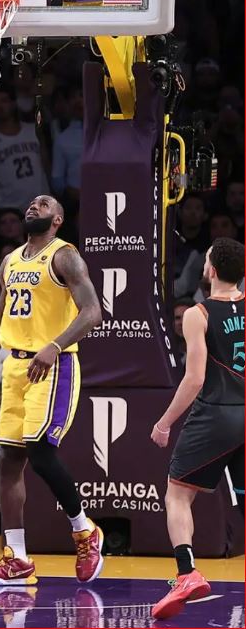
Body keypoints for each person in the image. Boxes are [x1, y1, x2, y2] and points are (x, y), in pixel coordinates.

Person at [0, 195, 104, 585]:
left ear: (58, 219)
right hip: (15, 366)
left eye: (44, 204)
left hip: (53, 363)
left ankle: (85, 531)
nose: (34, 206)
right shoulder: (10, 261)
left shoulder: (64, 256)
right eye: (32, 203)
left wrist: (54, 346)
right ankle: (16, 558)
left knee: (40, 452)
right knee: (8, 459)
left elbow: (93, 312)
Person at [150, 238, 245, 621]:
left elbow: (194, 379)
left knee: (177, 494)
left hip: (217, 413)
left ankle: (187, 573)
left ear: (211, 270)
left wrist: (164, 422)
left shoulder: (197, 313)